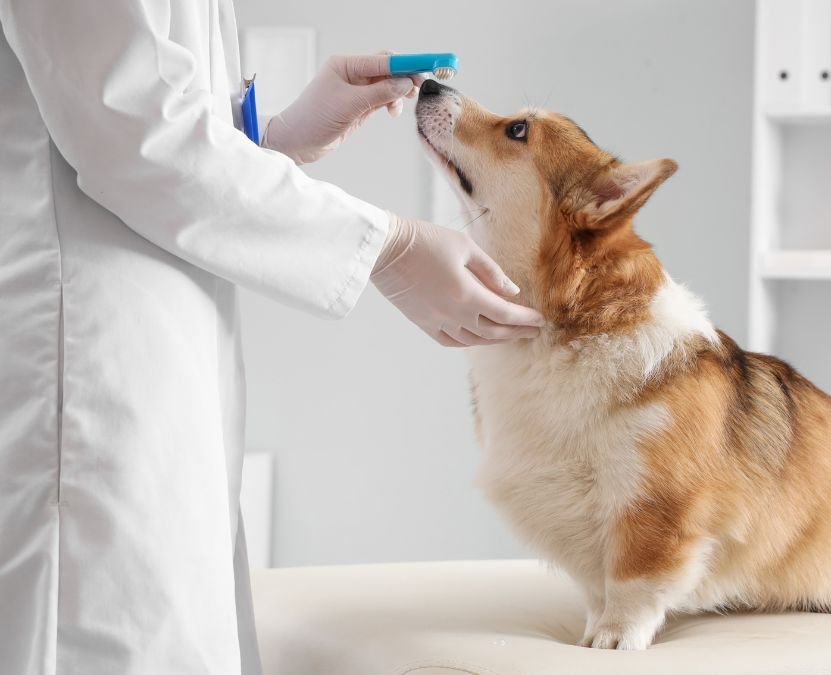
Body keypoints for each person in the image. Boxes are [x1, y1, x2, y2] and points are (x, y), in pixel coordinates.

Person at [0, 0, 543, 672]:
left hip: (150, 358)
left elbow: (141, 116)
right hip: (87, 366)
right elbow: (128, 127)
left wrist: (274, 136)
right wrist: (387, 246)